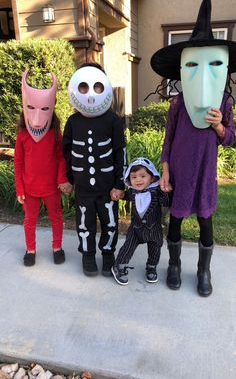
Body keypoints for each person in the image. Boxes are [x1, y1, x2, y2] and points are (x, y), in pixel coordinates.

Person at [150, 0, 236, 296]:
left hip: (205, 173)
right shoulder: (177, 104)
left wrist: (219, 127)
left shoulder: (224, 103)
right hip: (179, 171)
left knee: (205, 220)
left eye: (214, 65)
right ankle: (174, 264)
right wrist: (165, 170)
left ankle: (203, 270)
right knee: (175, 220)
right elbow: (168, 139)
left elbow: (231, 139)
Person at [63, 63, 127, 277]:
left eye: (97, 86)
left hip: (107, 187)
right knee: (84, 224)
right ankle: (88, 255)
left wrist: (120, 184)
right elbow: (66, 152)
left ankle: (108, 253)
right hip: (82, 187)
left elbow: (120, 152)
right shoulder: (72, 122)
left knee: (110, 223)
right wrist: (67, 179)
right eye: (83, 87)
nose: (90, 93)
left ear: (105, 88)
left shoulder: (114, 121)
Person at [14, 70, 72, 267]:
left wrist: (61, 178)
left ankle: (57, 247)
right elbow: (18, 162)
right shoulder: (22, 136)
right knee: (30, 220)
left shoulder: (55, 133)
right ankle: (30, 249)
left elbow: (61, 157)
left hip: (51, 188)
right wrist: (19, 188)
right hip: (29, 188)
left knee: (56, 217)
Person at [111, 157, 171, 285]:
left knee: (155, 248)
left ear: (152, 177)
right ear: (129, 180)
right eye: (133, 177)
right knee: (128, 247)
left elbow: (166, 202)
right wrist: (119, 195)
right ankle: (119, 266)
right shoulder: (132, 192)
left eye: (143, 176)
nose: (138, 180)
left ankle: (151, 267)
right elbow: (124, 195)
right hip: (136, 228)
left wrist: (166, 192)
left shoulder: (157, 192)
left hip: (154, 228)